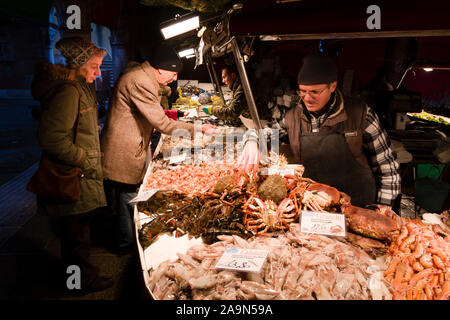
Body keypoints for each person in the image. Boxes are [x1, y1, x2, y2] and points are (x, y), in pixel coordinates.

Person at [240, 52, 401, 208]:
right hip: (312, 210)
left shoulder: (360, 114)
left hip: (359, 208)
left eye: (315, 92)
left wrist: (382, 209)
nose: (307, 98)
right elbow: (265, 132)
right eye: (302, 91)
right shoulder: (292, 118)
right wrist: (252, 139)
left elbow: (388, 168)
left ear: (333, 86)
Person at [101, 44, 216, 253]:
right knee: (128, 196)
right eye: (172, 73)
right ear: (160, 69)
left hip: (131, 144)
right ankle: (128, 245)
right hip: (124, 149)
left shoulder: (143, 77)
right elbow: (162, 124)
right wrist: (198, 128)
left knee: (126, 196)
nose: (174, 78)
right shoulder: (140, 81)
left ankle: (127, 239)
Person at [31, 36, 113, 293]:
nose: (99, 72)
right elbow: (51, 137)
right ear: (79, 64)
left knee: (77, 234)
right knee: (75, 237)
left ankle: (76, 279)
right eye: (94, 66)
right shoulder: (68, 91)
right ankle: (79, 283)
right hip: (74, 175)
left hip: (81, 174)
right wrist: (84, 158)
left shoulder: (80, 87)